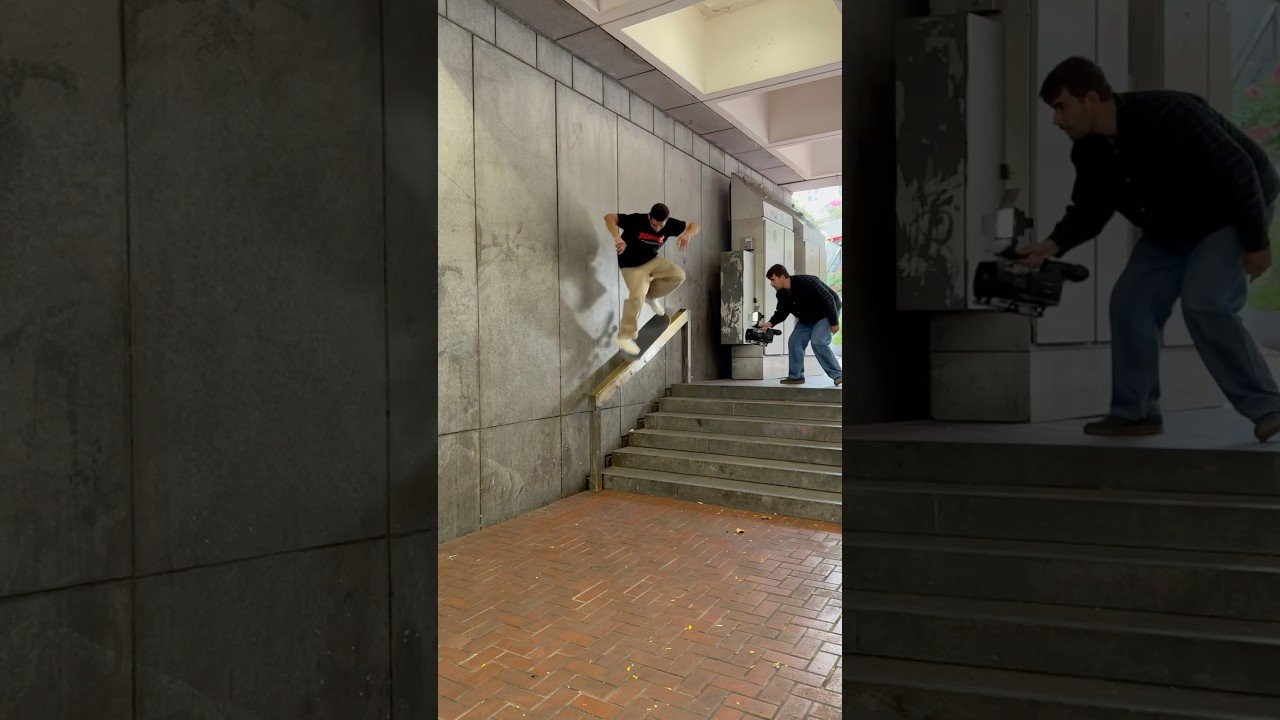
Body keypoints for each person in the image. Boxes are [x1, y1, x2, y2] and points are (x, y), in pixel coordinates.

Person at [1020, 56, 1280, 441]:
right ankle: (1135, 413)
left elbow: (1238, 169)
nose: (1057, 120)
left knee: (1205, 300)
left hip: (1226, 214)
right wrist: (1051, 244)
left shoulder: (1170, 113)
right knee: (1129, 302)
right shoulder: (1089, 151)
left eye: (1061, 107)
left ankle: (1268, 407)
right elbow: (1090, 209)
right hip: (1169, 229)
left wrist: (1256, 242)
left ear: (1091, 98)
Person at [604, 203, 700, 355]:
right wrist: (616, 237)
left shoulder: (670, 224)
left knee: (678, 275)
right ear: (649, 217)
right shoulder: (637, 220)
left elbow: (694, 225)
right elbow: (609, 217)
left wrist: (687, 234)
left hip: (652, 261)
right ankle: (625, 336)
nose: (657, 229)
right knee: (636, 296)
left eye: (661, 226)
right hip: (631, 266)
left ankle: (652, 296)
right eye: (654, 225)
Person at [756, 264, 842, 386]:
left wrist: (834, 323)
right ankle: (796, 376)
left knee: (818, 341)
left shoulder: (807, 282)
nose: (771, 284)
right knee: (794, 342)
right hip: (807, 318)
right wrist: (770, 323)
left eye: (772, 279)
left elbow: (829, 300)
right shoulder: (781, 294)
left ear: (782, 277)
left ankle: (838, 375)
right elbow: (782, 312)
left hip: (825, 313)